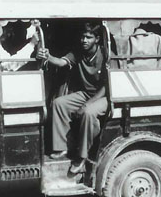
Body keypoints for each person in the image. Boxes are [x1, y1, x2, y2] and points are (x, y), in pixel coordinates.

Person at [36, 22, 107, 174]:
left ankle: (81, 158)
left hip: (103, 96)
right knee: (58, 103)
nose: (84, 40)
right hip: (86, 93)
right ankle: (61, 148)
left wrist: (87, 104)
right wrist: (48, 57)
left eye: (89, 37)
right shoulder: (78, 52)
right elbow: (62, 62)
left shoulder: (105, 54)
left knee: (88, 113)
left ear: (97, 39)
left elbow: (106, 87)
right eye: (83, 37)